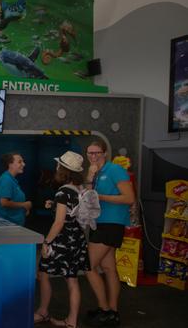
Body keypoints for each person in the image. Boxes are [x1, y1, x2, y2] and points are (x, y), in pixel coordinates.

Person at [34, 151, 90, 328]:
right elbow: (72, 212)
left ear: (63, 170)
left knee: (43, 273)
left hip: (61, 240)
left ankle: (42, 312)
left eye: (58, 166)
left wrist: (46, 242)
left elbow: (59, 223)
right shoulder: (79, 189)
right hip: (77, 239)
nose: (56, 168)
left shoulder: (62, 192)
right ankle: (71, 322)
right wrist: (54, 204)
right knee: (72, 280)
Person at [83, 139, 135, 327]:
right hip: (100, 223)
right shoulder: (96, 172)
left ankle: (104, 309)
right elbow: (90, 198)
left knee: (88, 266)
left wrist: (101, 197)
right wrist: (89, 176)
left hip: (111, 224)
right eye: (90, 153)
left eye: (97, 153)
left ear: (105, 153)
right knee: (109, 268)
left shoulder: (114, 170)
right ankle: (113, 311)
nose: (93, 156)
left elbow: (129, 198)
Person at [0, 152, 32, 225]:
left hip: (12, 225)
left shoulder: (11, 180)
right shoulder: (6, 179)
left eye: (23, 161)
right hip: (7, 225)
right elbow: (4, 203)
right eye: (20, 162)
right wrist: (24, 205)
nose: (23, 164)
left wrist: (24, 209)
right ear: (10, 164)